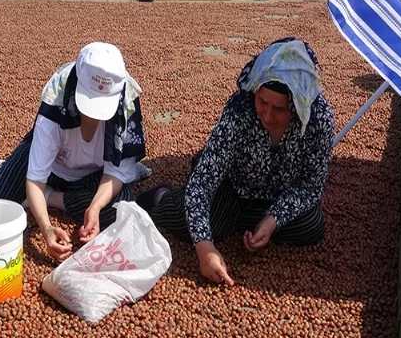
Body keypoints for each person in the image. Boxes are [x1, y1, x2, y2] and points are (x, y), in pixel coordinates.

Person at [137, 37, 335, 285]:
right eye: (262, 102)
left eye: (280, 109)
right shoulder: (240, 108)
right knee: (192, 222)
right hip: (232, 185)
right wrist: (204, 248)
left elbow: (310, 186)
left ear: (297, 106)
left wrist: (272, 219)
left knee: (311, 227)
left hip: (279, 194)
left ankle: (240, 220)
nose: (268, 116)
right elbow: (202, 183)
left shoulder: (318, 119)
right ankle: (164, 196)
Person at [0, 42, 146, 261]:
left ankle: (50, 197)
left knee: (123, 210)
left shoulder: (127, 107)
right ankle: (21, 184)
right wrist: (46, 228)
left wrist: (96, 206)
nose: (96, 116)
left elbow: (114, 173)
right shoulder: (55, 102)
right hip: (53, 167)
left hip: (93, 174)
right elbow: (35, 178)